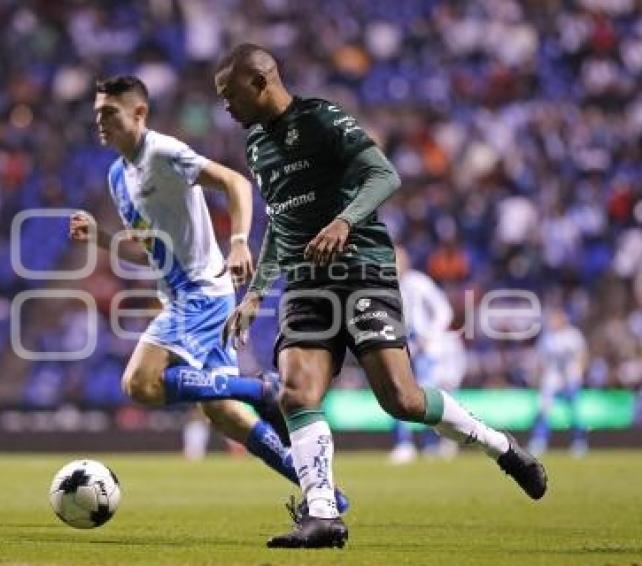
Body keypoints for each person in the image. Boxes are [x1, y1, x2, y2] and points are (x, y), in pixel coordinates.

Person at [215, 44, 547, 549]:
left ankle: (501, 447)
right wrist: (257, 292)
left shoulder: (321, 118)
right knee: (295, 392)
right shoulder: (257, 146)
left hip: (362, 271)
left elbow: (385, 174)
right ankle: (322, 514)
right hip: (307, 285)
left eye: (230, 94)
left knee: (403, 400)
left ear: (261, 81)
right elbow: (280, 224)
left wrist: (344, 221)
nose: (225, 107)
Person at [68, 75, 349, 512]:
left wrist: (239, 240)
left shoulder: (162, 152)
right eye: (97, 114)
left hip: (200, 291)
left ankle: (261, 390)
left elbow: (236, 183)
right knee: (222, 414)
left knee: (139, 383)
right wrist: (100, 238)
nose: (100, 122)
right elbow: (148, 249)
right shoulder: (117, 177)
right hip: (181, 295)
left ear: (139, 113)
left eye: (110, 113)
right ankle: (323, 492)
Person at [389, 245, 467, 464]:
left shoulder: (417, 282)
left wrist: (429, 336)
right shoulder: (384, 286)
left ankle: (433, 444)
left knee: (426, 396)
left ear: (405, 262)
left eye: (396, 260)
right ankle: (404, 444)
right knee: (395, 392)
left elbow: (444, 310)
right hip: (400, 347)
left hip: (424, 349)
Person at [528, 308, 589, 457]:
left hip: (570, 377)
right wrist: (537, 378)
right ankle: (539, 441)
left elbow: (583, 355)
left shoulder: (573, 335)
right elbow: (540, 360)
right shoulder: (547, 337)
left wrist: (580, 373)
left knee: (574, 412)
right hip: (552, 378)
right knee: (544, 410)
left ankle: (579, 442)